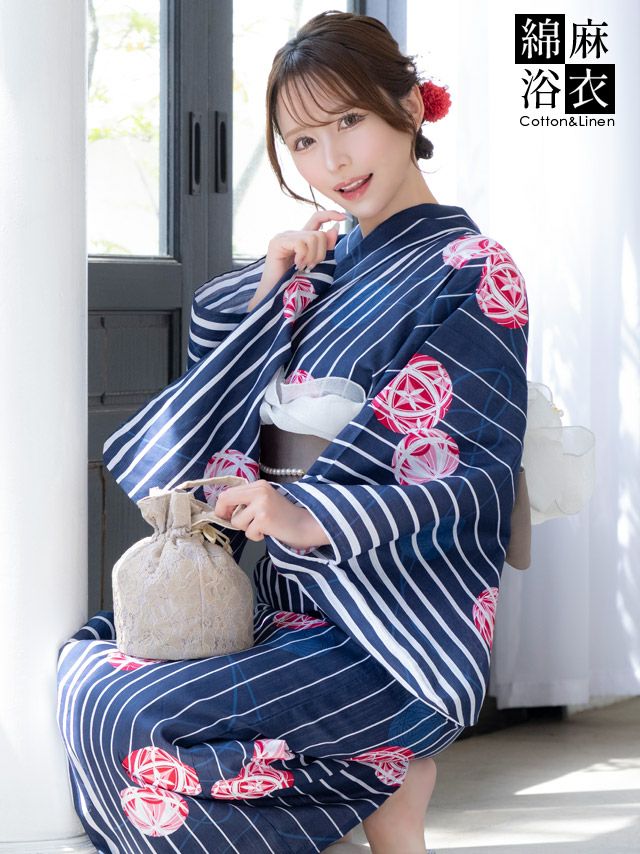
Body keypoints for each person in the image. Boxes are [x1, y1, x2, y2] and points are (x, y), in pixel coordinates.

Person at [56, 10, 529, 854]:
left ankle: (379, 769)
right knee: (90, 671)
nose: (332, 161)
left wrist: (307, 514)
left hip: (391, 633)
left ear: (409, 108)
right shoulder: (324, 268)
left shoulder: (473, 270)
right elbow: (222, 398)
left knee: (135, 717)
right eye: (304, 142)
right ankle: (375, 783)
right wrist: (272, 285)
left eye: (349, 121)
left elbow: (471, 470)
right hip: (288, 606)